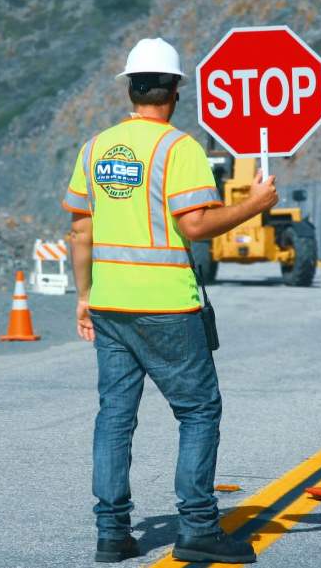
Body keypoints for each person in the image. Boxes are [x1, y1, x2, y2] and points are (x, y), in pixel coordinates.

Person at [61, 37, 278, 564]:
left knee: (115, 415)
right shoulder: (179, 150)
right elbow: (197, 225)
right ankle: (199, 527)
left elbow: (79, 228)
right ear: (176, 90)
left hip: (110, 304)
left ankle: (112, 534)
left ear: (131, 88)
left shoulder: (95, 148)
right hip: (166, 306)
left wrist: (84, 295)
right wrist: (254, 205)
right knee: (199, 411)